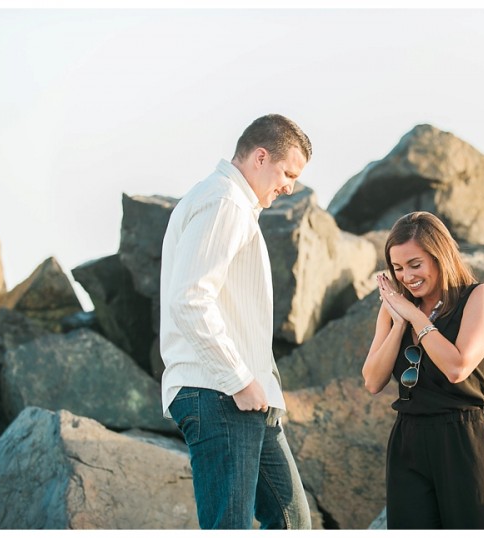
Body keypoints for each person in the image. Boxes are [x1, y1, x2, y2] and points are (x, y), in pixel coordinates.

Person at [160, 114, 312, 529]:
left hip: (244, 397)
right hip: (220, 393)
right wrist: (240, 380)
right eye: (287, 174)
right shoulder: (224, 201)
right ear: (260, 157)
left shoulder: (231, 203)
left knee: (292, 522)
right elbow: (190, 299)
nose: (289, 187)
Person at [362, 211, 484, 529]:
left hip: (465, 437)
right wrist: (399, 322)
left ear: (440, 255)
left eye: (415, 265)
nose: (406, 276)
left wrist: (417, 319)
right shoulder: (397, 309)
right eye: (398, 268)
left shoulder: (480, 297)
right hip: (409, 440)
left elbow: (457, 367)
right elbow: (372, 381)